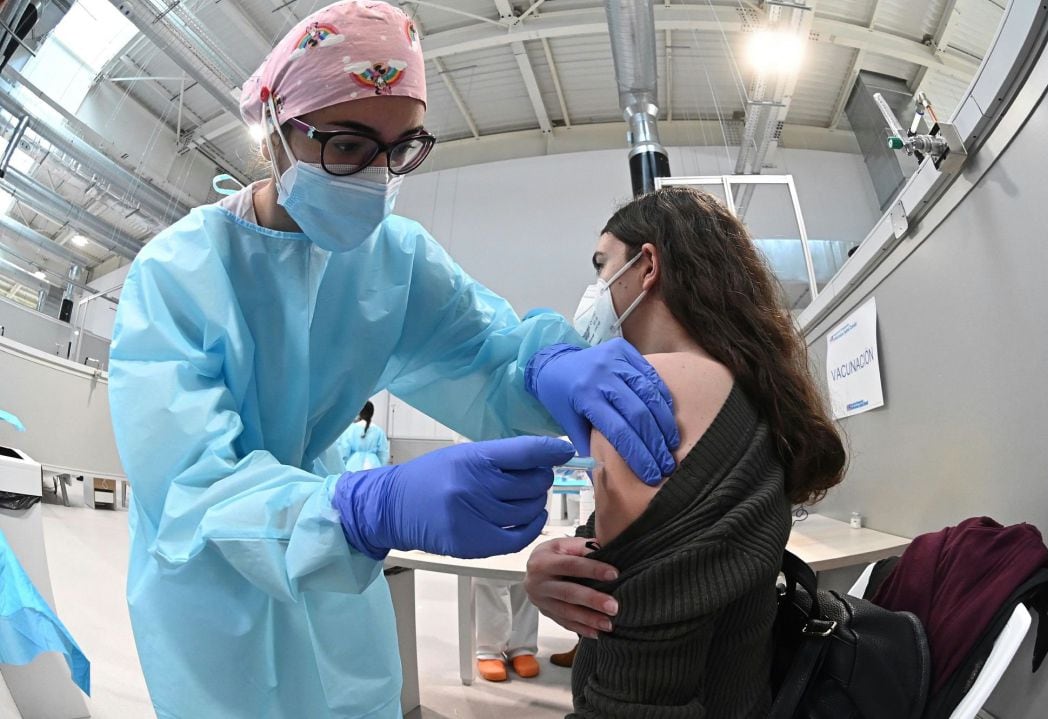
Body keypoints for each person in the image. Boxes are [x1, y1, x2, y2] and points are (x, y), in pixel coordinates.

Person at [107, 3, 680, 717]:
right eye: (348, 145)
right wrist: (363, 508)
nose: (378, 175)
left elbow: (486, 355)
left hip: (333, 589)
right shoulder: (176, 274)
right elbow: (194, 488)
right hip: (212, 582)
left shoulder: (395, 259)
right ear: (277, 131)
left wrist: (546, 366)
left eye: (403, 147)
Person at [524, 187, 847, 718]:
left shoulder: (645, 392)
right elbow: (676, 557)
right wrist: (572, 561)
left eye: (602, 266)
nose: (595, 290)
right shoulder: (752, 391)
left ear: (647, 265)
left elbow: (640, 685)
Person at [336, 401, 389, 470]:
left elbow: (344, 451)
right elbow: (383, 454)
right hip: (374, 466)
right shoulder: (379, 431)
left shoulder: (350, 429)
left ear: (359, 412)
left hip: (353, 465)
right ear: (372, 413)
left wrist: (344, 465)